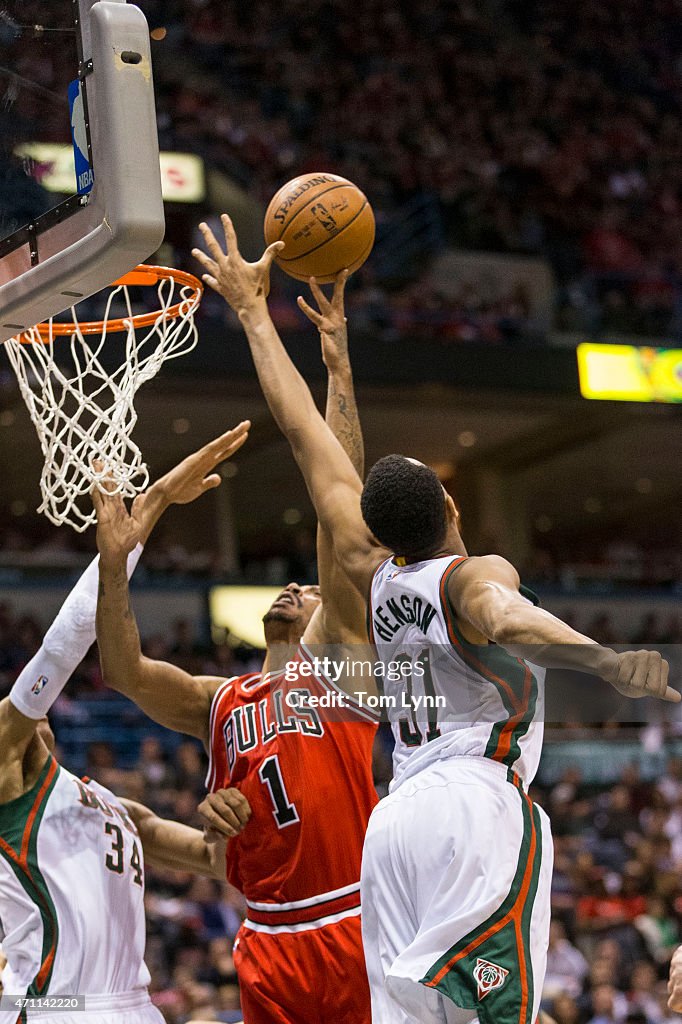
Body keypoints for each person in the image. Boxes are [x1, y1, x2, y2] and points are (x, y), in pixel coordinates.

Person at [192, 214, 676, 1024]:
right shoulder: (473, 572)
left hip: (394, 825)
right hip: (474, 807)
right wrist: (607, 660)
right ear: (451, 503)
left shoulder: (370, 571)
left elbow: (306, 438)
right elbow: (506, 614)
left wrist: (254, 312)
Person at [93, 287, 379, 1024]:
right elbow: (124, 673)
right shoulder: (221, 702)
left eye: (309, 590)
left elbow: (337, 505)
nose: (295, 587)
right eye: (294, 585)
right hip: (267, 936)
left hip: (352, 916)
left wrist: (338, 371)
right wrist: (115, 565)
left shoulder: (341, 668)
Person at [0, 429, 253, 1024]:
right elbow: (59, 652)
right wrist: (153, 507)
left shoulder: (117, 810)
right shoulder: (7, 780)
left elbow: (219, 862)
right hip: (57, 1006)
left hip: (133, 1008)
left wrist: (239, 817)